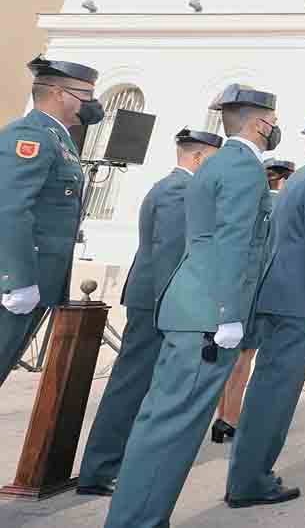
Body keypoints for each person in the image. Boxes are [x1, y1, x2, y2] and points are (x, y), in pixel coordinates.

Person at [104, 84, 279, 528]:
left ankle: (134, 517)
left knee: (161, 421)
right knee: (173, 429)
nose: (274, 128)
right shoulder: (242, 166)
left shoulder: (217, 162)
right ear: (261, 122)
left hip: (190, 303)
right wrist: (230, 314)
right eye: (272, 121)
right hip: (209, 311)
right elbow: (234, 243)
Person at [77, 129, 223, 497]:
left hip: (155, 301)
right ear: (201, 157)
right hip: (156, 303)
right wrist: (175, 309)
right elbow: (170, 257)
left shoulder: (175, 187)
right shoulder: (180, 191)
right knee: (131, 385)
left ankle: (114, 461)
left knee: (139, 385)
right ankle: (101, 468)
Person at [226, 114, 305, 507]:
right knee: (276, 396)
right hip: (298, 303)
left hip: (275, 296)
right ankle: (252, 481)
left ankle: (244, 475)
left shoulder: (296, 179)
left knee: (264, 390)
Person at [0, 57, 100, 388]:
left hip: (39, 282)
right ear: (58, 92)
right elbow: (11, 208)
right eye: (85, 94)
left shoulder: (59, 138)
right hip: (16, 285)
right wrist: (17, 279)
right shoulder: (31, 135)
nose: (91, 103)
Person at [213, 158, 295, 443]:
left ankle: (221, 416)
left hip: (236, 289)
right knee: (244, 359)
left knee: (230, 357)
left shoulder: (252, 206)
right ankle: (231, 419)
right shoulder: (276, 208)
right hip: (258, 290)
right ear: (283, 181)